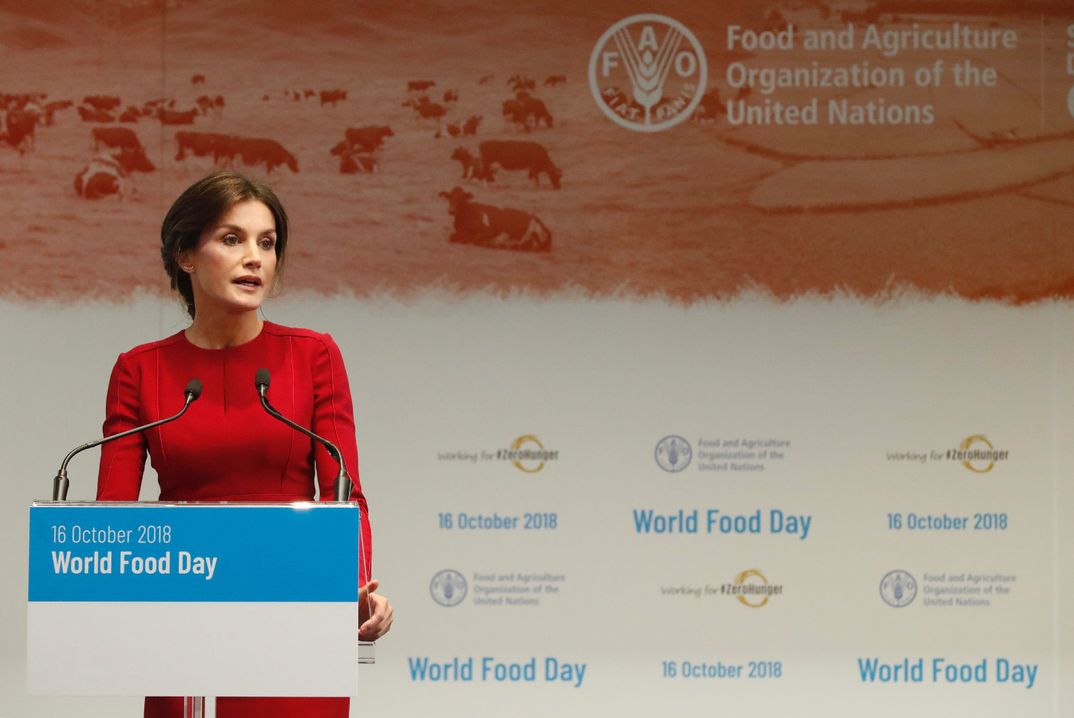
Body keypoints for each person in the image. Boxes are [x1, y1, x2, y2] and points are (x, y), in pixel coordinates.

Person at [96, 170, 392, 717]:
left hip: (295, 610)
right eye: (232, 239)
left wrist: (357, 590)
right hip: (184, 617)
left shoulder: (314, 356)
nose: (254, 257)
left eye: (267, 243)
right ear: (186, 254)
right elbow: (112, 521)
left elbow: (344, 494)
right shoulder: (140, 369)